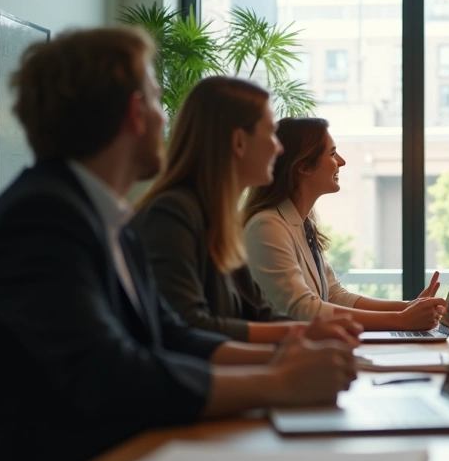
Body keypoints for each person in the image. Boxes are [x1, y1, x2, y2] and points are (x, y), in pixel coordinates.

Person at [0, 28, 360, 461]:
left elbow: (172, 335)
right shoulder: (40, 219)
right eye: (158, 101)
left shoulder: (107, 220)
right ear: (133, 114)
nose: (167, 118)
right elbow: (110, 375)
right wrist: (278, 381)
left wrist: (286, 358)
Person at [132, 77, 355, 343]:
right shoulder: (172, 214)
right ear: (239, 142)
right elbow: (188, 328)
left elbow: (258, 312)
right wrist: (294, 349)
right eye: (271, 133)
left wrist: (309, 334)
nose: (279, 147)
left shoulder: (217, 220)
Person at [243, 117, 446, 330]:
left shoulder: (301, 224)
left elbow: (334, 295)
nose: (341, 161)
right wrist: (400, 320)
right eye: (331, 153)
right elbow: (303, 309)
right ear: (303, 166)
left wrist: (408, 307)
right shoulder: (267, 227)